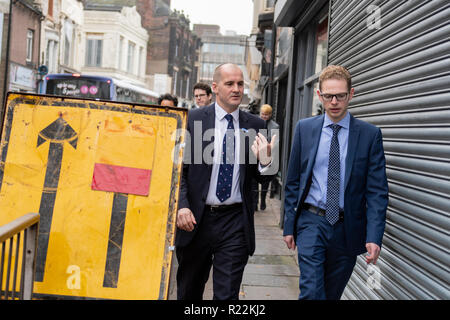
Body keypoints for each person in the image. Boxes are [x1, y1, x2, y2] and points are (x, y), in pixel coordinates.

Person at [283, 65, 388, 300]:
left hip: (348, 228)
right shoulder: (305, 129)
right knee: (311, 292)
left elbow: (377, 192)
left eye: (340, 95)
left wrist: (373, 236)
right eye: (328, 95)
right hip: (311, 222)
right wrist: (289, 225)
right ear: (319, 95)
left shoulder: (369, 135)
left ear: (351, 95)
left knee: (330, 295)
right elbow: (293, 181)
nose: (334, 101)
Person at [175, 63, 276, 300]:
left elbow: (264, 177)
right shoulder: (192, 120)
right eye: (229, 83)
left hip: (235, 222)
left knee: (227, 296)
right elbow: (178, 171)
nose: (236, 89)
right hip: (196, 220)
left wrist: (266, 160)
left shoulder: (256, 125)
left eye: (240, 83)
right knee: (189, 292)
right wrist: (182, 205)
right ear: (215, 87)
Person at [254, 104, 280, 210]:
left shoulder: (275, 126)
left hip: (268, 156)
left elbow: (276, 142)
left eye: (266, 115)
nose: (264, 116)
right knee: (254, 180)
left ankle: (263, 200)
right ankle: (255, 202)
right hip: (255, 155)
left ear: (270, 115)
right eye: (262, 114)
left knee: (265, 181)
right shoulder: (255, 122)